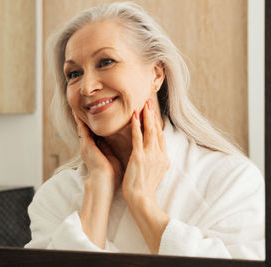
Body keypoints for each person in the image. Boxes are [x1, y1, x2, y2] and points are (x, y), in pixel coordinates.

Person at [25, 2, 264, 260]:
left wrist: (142, 202)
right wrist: (98, 189)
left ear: (156, 73)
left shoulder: (231, 179)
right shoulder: (54, 195)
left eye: (106, 61)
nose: (87, 87)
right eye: (74, 73)